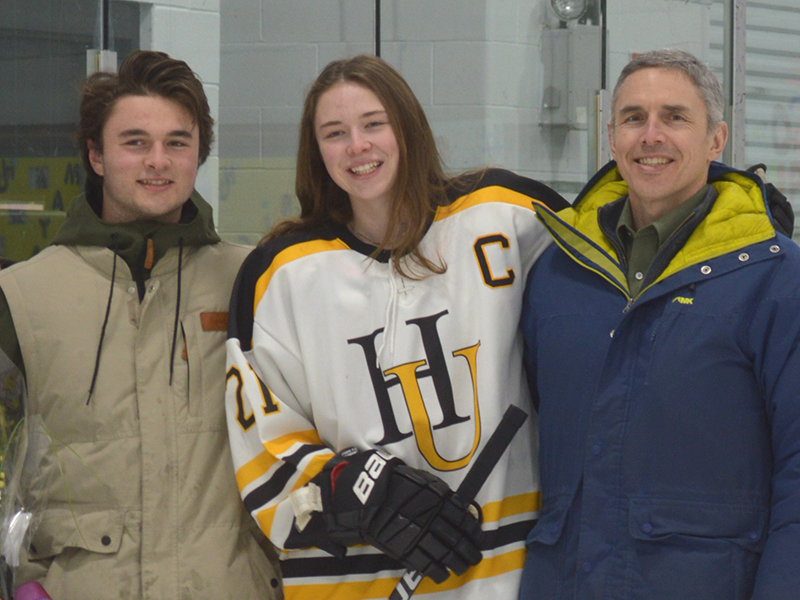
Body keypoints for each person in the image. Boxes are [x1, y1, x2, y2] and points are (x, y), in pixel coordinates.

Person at [225, 54, 568, 599]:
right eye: (334, 133)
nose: (357, 146)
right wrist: (355, 490)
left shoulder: (505, 217)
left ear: (407, 126)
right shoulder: (282, 274)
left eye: (373, 124)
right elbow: (261, 450)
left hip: (508, 580)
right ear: (316, 153)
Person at [520, 48, 800, 599]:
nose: (651, 135)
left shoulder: (776, 279)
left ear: (716, 140)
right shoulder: (557, 270)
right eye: (633, 118)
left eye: (675, 117)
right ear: (611, 138)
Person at [0, 51, 282, 599]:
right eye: (135, 142)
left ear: (199, 154)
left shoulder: (254, 280)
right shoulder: (23, 297)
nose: (158, 160)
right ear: (96, 155)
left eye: (178, 142)